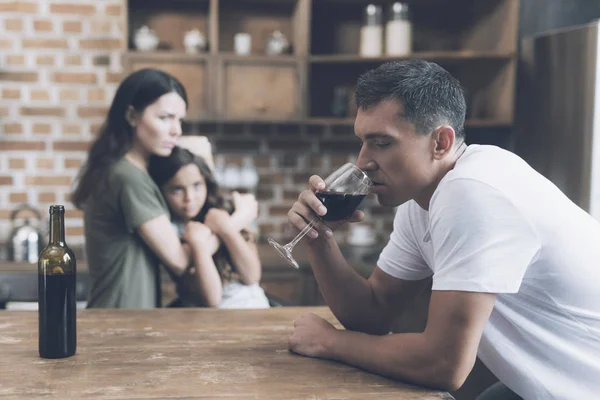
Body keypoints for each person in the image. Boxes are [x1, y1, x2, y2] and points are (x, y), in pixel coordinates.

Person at [285, 60, 600, 399]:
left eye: (382, 143)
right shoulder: (421, 200)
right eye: (362, 141)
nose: (363, 161)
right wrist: (318, 239)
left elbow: (444, 364)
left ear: (441, 142)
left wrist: (331, 342)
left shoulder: (472, 192)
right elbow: (373, 313)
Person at [72, 68, 194, 308]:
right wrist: (233, 224)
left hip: (118, 317)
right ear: (132, 116)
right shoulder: (127, 177)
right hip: (118, 321)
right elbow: (179, 261)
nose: (176, 130)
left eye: (179, 120)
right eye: (165, 118)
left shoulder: (125, 170)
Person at [148, 146, 270, 309]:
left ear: (207, 183)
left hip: (255, 307)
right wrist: (199, 246)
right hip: (211, 319)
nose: (189, 198)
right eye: (177, 189)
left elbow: (252, 276)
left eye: (197, 185)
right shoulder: (168, 232)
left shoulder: (224, 212)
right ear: (162, 191)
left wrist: (226, 229)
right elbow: (212, 299)